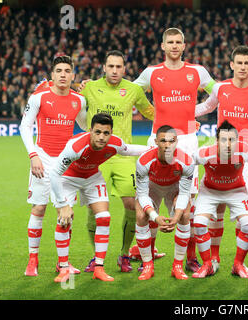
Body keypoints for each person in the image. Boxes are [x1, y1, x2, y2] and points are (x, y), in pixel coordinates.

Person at [133, 27, 216, 273]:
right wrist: (151, 112)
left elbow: (218, 95)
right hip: (156, 140)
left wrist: (194, 112)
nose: (174, 46)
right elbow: (130, 93)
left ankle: (188, 258)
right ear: (162, 45)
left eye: (178, 42)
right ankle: (149, 253)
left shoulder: (197, 71)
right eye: (170, 42)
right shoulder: (151, 73)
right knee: (150, 198)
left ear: (184, 45)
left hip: (188, 140)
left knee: (187, 201)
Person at [194, 45, 248, 272]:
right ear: (232, 65)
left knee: (246, 215)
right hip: (220, 153)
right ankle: (214, 259)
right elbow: (207, 106)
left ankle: (239, 263)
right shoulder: (221, 88)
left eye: (246, 63)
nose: (242, 67)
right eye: (238, 63)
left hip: (246, 159)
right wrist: (182, 112)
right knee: (217, 209)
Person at [79, 50, 155, 273]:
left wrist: (181, 118)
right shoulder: (90, 87)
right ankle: (96, 256)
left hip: (124, 156)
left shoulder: (133, 90)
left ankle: (124, 254)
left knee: (133, 206)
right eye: (110, 66)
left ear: (124, 69)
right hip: (96, 159)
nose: (114, 71)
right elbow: (72, 103)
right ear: (104, 67)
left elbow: (150, 112)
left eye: (118, 67)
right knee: (94, 209)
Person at [50, 113, 150, 282]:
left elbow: (129, 150)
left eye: (106, 133)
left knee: (104, 217)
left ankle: (99, 268)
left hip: (91, 177)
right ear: (90, 131)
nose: (102, 137)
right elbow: (54, 174)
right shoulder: (76, 147)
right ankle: (63, 267)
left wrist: (154, 149)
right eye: (97, 132)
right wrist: (63, 204)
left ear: (111, 132)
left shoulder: (115, 143)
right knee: (64, 219)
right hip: (67, 178)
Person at [19, 55, 87, 277]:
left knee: (66, 214)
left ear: (73, 75)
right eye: (59, 71)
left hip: (67, 164)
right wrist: (33, 155)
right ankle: (32, 259)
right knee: (39, 208)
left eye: (67, 71)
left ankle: (63, 264)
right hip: (43, 159)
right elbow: (25, 126)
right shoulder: (39, 97)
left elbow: (86, 126)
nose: (63, 75)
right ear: (52, 75)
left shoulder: (79, 100)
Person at [191, 120, 248, 278]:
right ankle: (207, 265)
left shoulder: (245, 150)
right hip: (209, 191)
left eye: (232, 140)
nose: (228, 144)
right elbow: (185, 167)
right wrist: (185, 193)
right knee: (198, 223)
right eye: (224, 140)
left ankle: (238, 265)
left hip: (236, 190)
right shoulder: (205, 153)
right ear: (217, 141)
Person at [134, 125, 195, 280]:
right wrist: (155, 217)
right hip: (151, 187)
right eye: (163, 141)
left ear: (176, 142)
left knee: (185, 215)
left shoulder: (187, 162)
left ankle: (177, 266)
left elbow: (184, 193)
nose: (167, 145)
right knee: (141, 216)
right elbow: (141, 194)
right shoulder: (144, 161)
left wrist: (176, 217)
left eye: (171, 141)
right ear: (156, 142)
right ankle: (148, 266)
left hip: (174, 188)